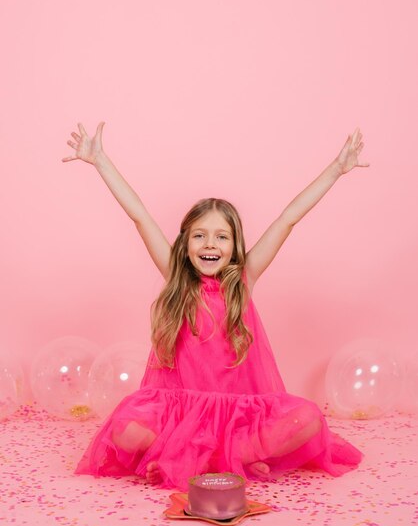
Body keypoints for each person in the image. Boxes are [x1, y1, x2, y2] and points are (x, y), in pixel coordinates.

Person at [62, 122, 368, 490]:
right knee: (125, 426)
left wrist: (336, 168)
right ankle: (205, 456)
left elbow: (288, 219)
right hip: (182, 416)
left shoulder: (243, 280)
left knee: (307, 418)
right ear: (185, 243)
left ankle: (218, 456)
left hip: (238, 419)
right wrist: (100, 161)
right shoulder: (178, 278)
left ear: (235, 245)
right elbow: (139, 215)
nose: (211, 244)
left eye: (222, 236)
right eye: (200, 236)